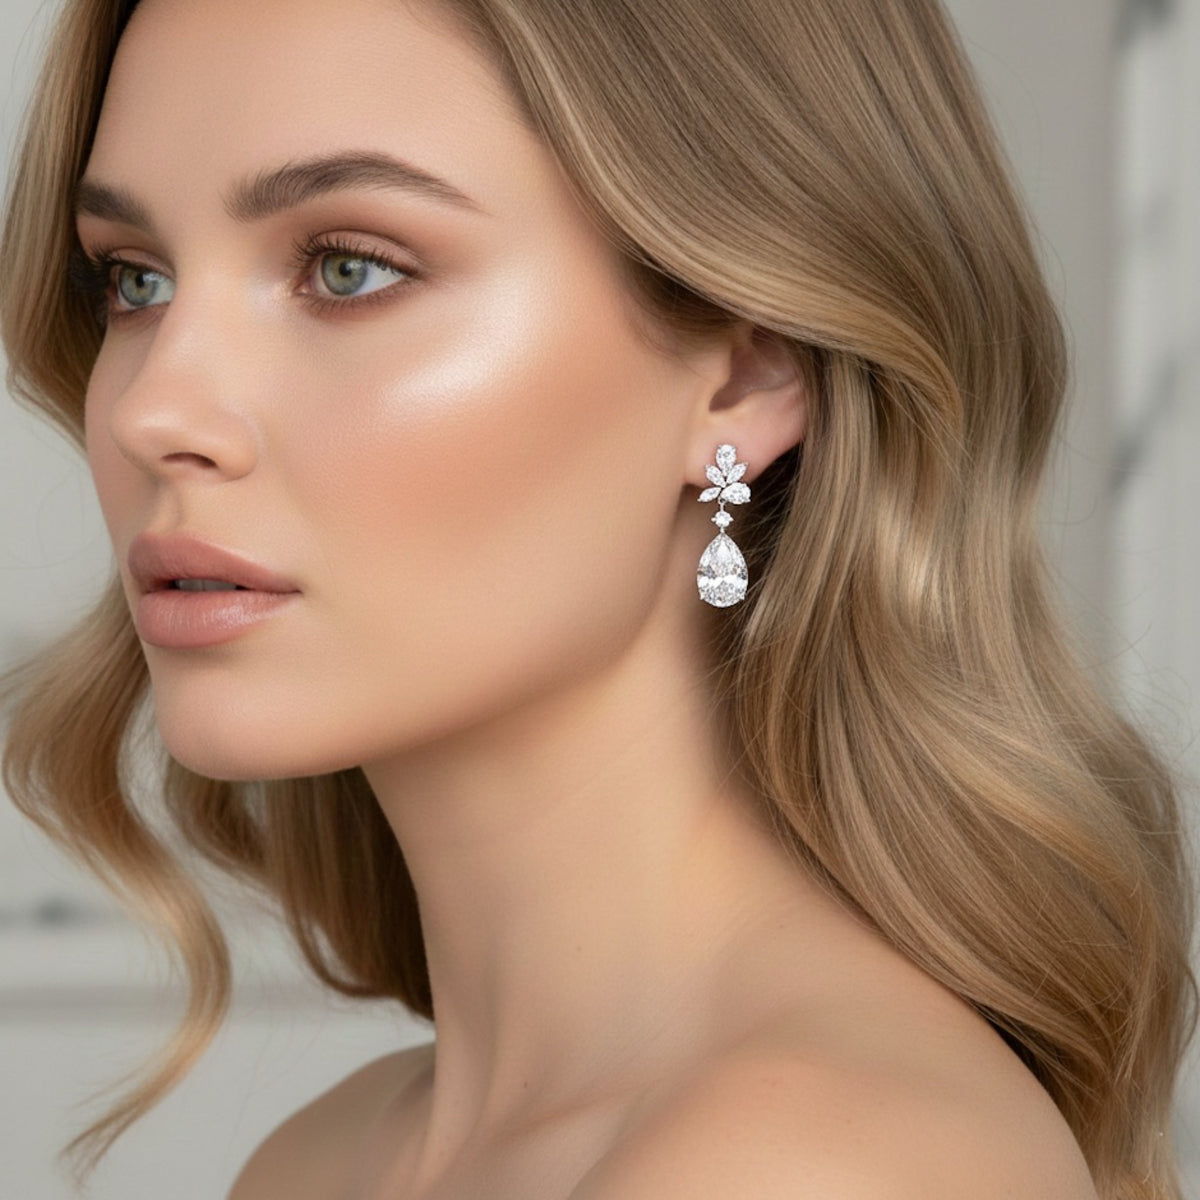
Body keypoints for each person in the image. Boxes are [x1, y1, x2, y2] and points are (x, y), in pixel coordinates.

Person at [0, 0, 1195, 1196]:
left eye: (347, 268)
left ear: (745, 368)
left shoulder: (818, 1165)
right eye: (135, 280)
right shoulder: (325, 1161)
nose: (156, 411)